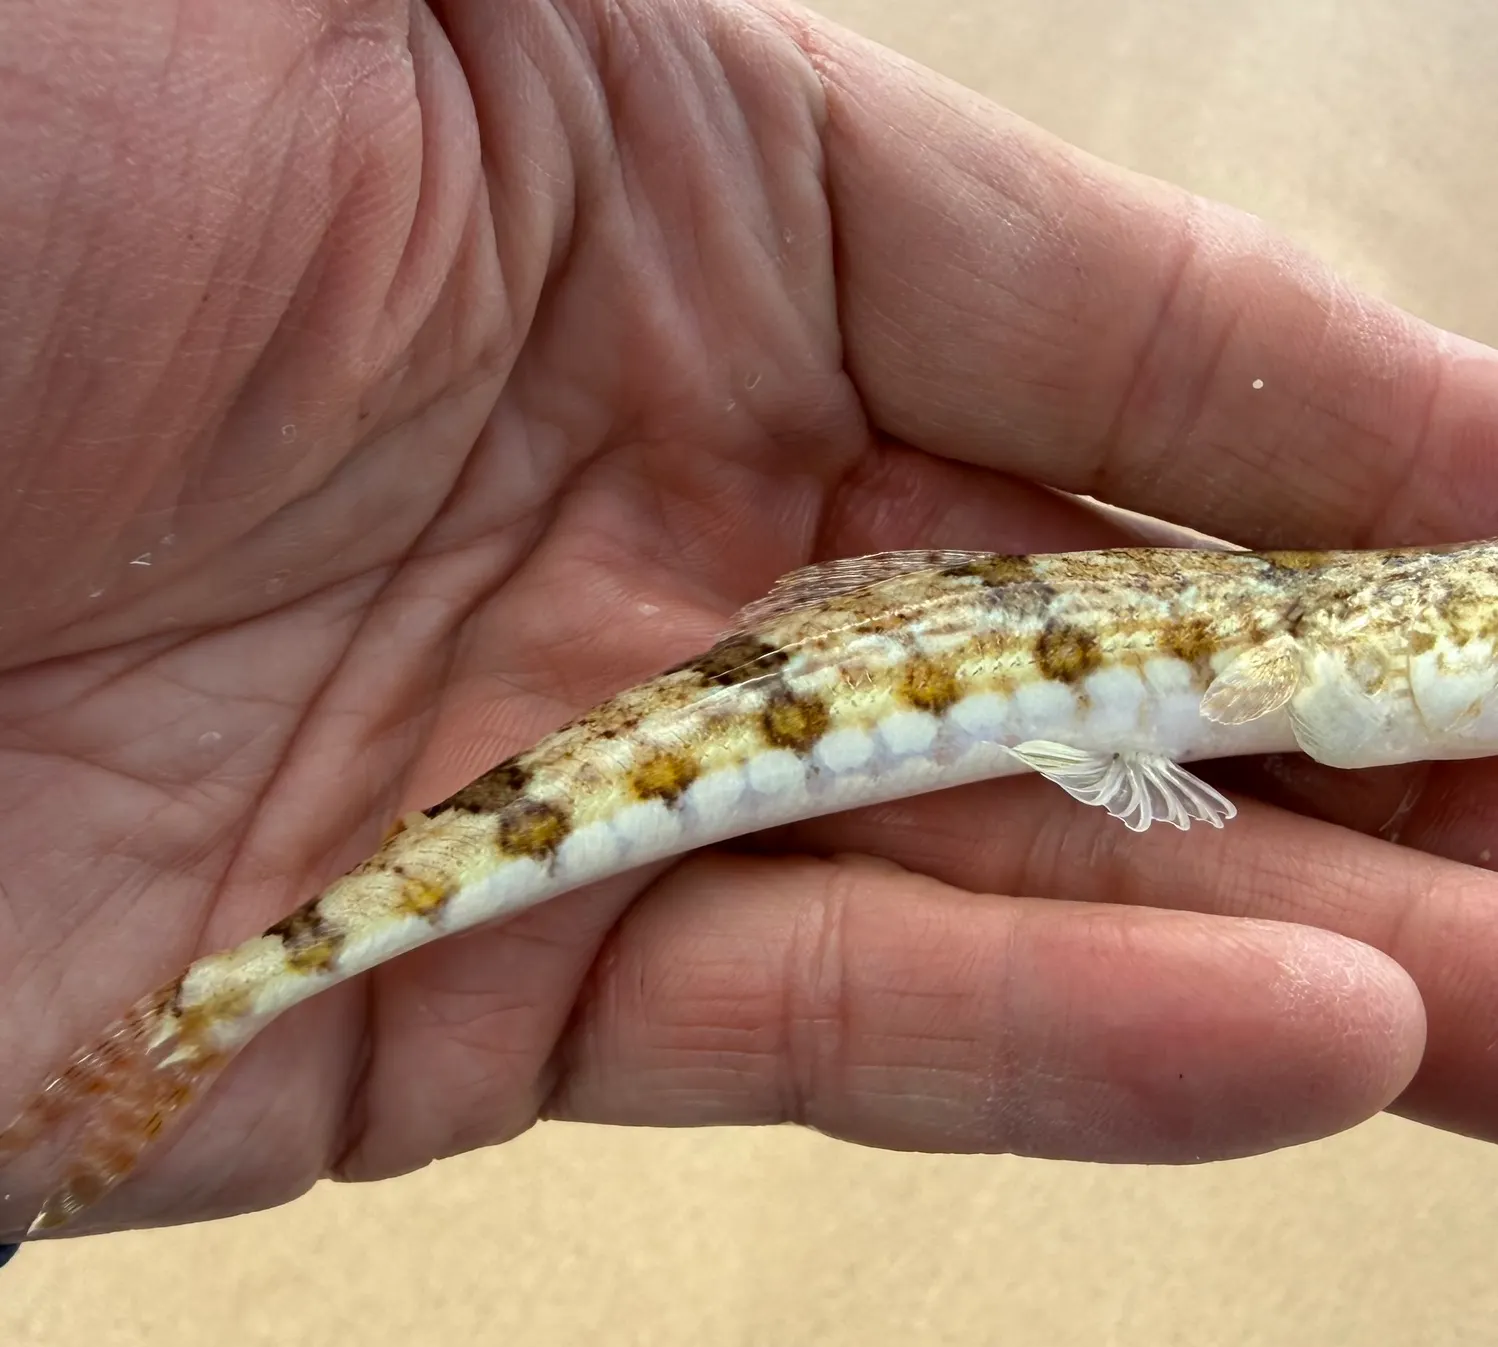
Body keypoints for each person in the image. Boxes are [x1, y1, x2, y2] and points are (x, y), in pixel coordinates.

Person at [1, 0, 1494, 1247]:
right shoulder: (1312, 650)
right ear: (1411, 624)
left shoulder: (1310, 638)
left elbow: (1341, 717)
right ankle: (222, 1002)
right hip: (751, 723)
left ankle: (194, 1023)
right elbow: (1353, 726)